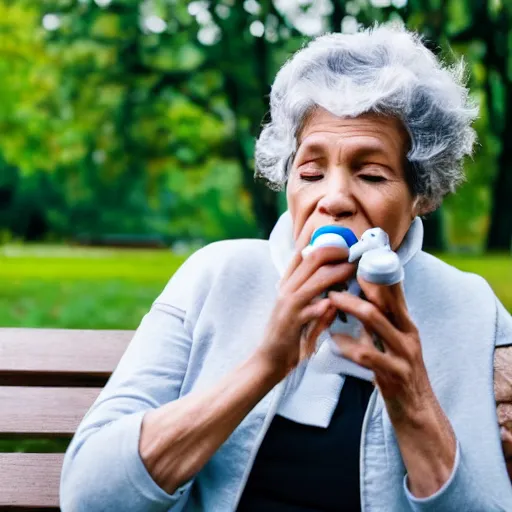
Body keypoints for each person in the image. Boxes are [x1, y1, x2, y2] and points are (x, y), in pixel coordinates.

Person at [60, 24, 512, 511]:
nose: (333, 198)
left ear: (420, 193)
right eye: (311, 172)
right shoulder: (215, 276)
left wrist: (413, 400)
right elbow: (89, 497)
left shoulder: (466, 306)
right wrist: (263, 366)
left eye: (372, 173)